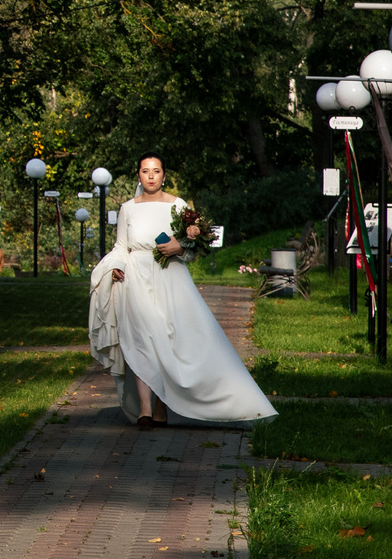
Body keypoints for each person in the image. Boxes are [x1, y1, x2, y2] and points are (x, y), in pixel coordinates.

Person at [87, 153, 276, 427]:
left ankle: (163, 407)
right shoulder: (128, 208)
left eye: (156, 170)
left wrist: (181, 246)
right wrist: (114, 267)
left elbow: (190, 247)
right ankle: (144, 409)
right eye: (145, 171)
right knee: (140, 340)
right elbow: (121, 247)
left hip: (169, 275)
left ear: (164, 175)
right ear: (138, 175)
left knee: (169, 340)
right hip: (135, 279)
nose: (151, 176)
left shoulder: (178, 206)